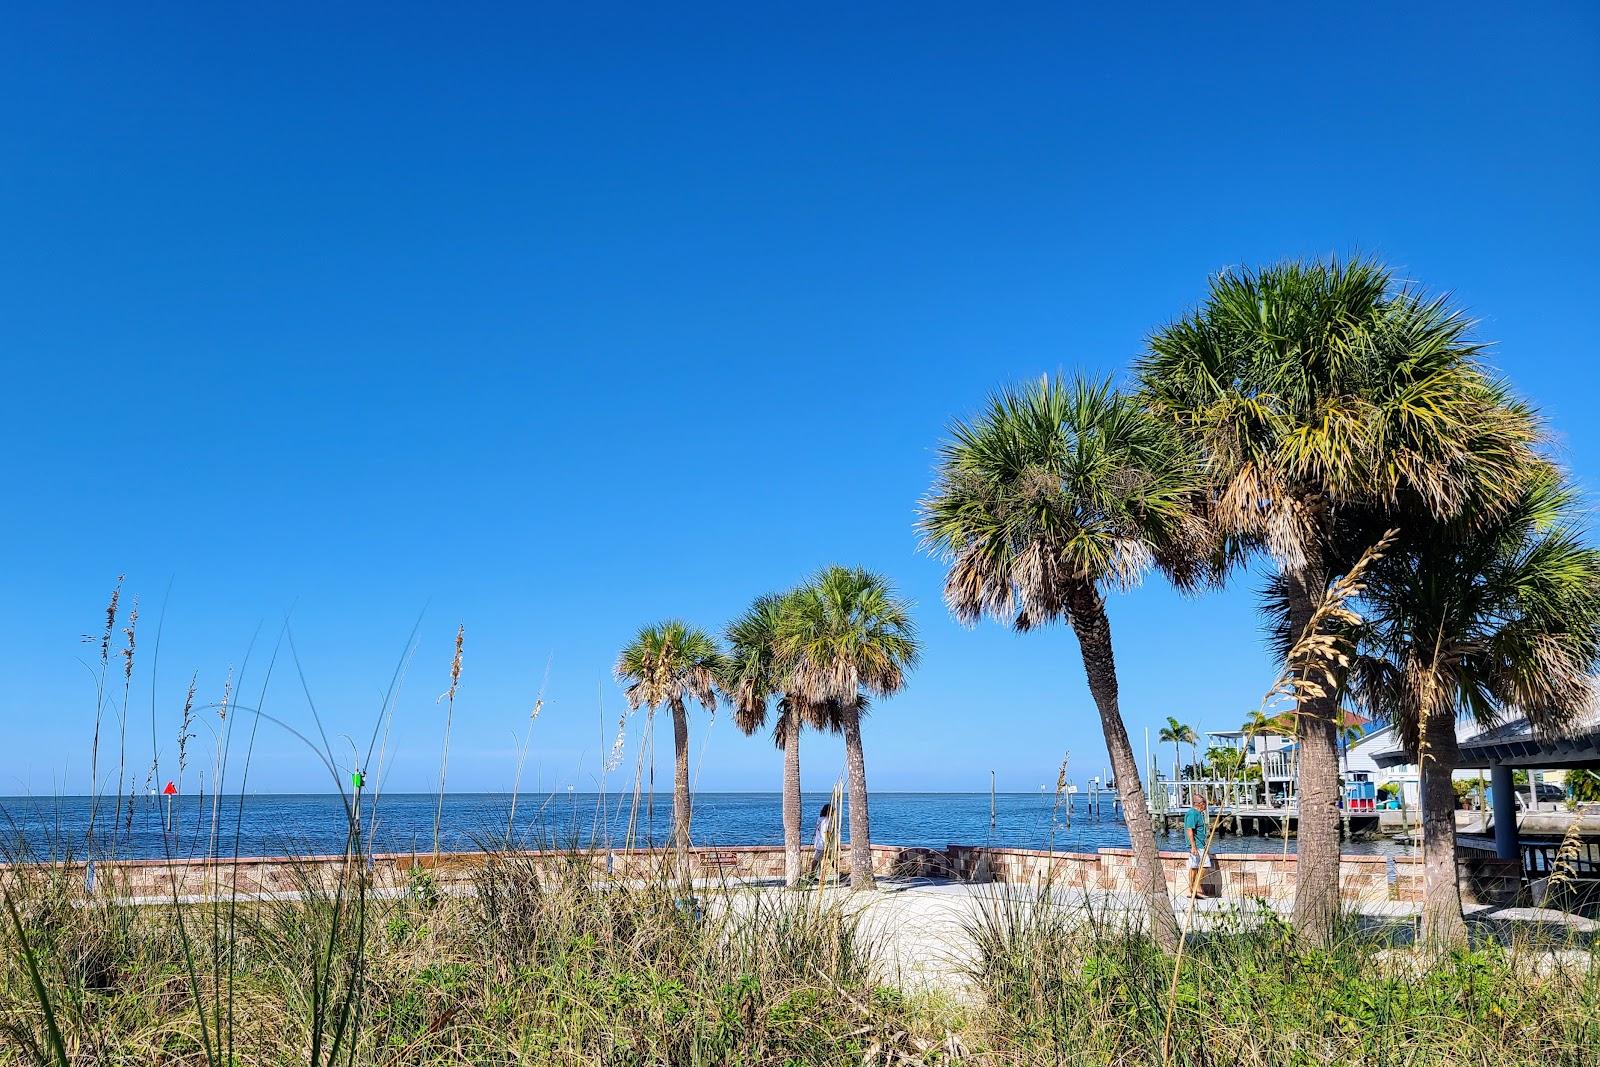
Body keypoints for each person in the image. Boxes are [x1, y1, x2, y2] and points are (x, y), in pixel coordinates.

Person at [1183, 793, 1211, 896]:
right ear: (1200, 804)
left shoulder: (1199, 814)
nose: (1206, 806)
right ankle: (1195, 887)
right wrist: (1193, 846)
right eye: (1205, 803)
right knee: (1204, 864)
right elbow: (1189, 829)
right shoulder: (1192, 813)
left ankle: (1194, 888)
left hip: (1201, 844)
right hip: (1196, 845)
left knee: (1195, 866)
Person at [809, 802, 834, 881]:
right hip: (823, 844)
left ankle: (840, 873)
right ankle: (812, 875)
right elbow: (826, 832)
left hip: (821, 843)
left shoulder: (820, 819)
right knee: (817, 860)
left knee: (832, 859)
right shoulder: (826, 820)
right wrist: (827, 843)